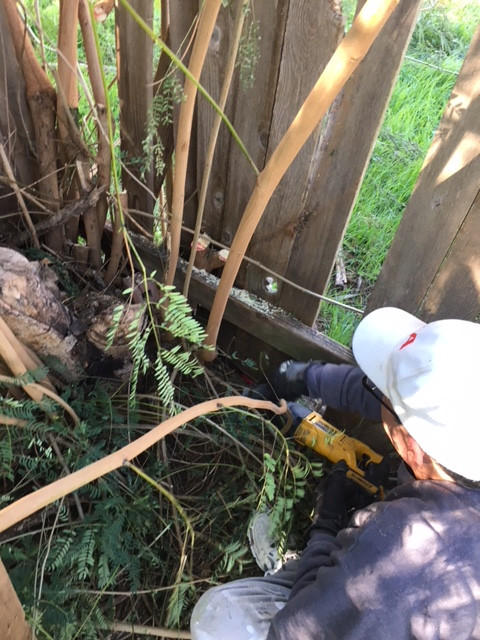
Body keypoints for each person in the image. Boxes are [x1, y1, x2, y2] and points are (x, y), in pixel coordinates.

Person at [190, 307, 480, 640]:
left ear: (410, 447)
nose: (374, 391)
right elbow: (388, 402)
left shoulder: (397, 556)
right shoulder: (465, 429)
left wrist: (326, 526)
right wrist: (304, 377)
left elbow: (296, 630)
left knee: (216, 618)